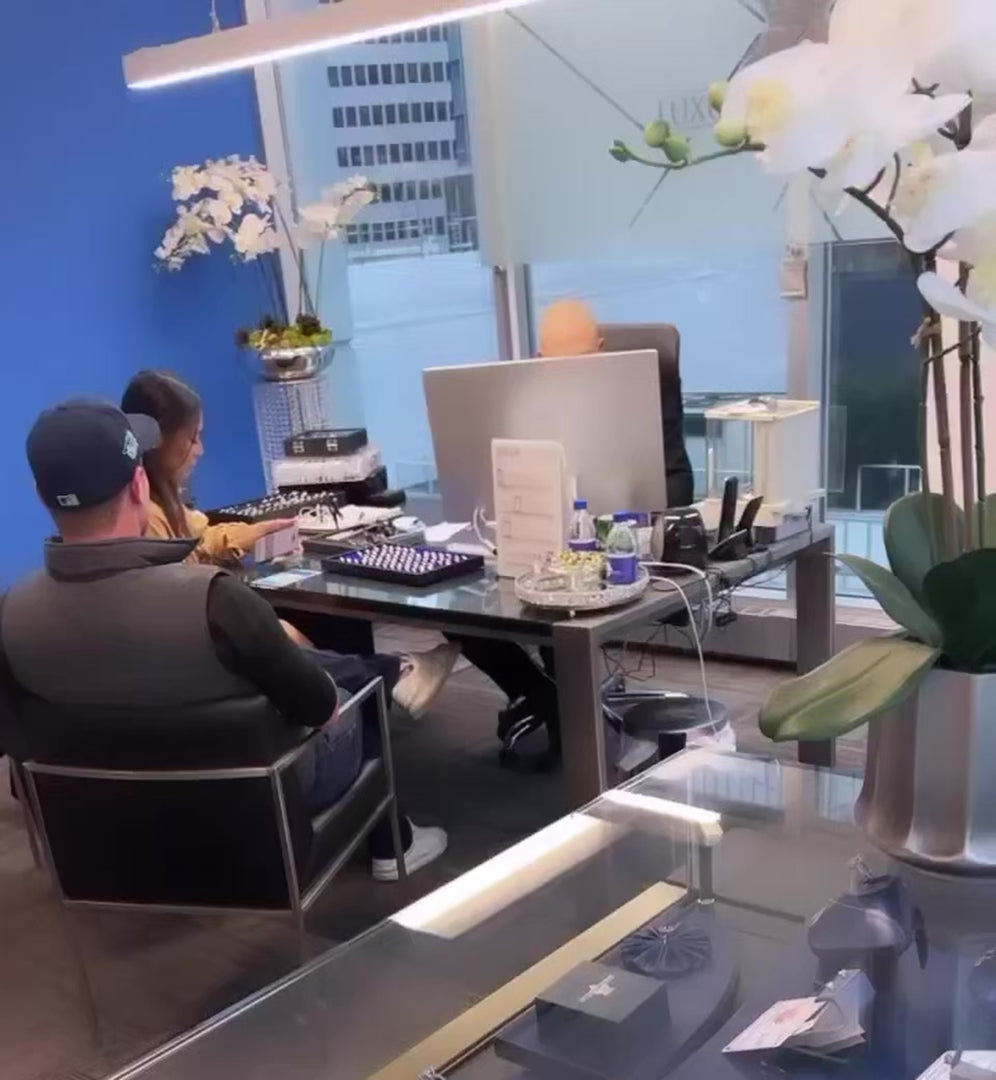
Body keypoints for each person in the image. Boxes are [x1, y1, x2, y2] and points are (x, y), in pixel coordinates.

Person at [0, 399, 447, 880]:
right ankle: (394, 847)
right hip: (256, 807)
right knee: (359, 692)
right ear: (139, 484)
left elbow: (19, 747)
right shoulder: (214, 599)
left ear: (41, 495)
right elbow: (319, 707)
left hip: (111, 832)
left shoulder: (11, 613)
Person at [121, 370, 459, 720]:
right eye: (192, 439)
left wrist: (256, 533)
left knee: (301, 632)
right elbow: (184, 597)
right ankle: (392, 677)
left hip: (202, 645)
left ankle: (386, 679)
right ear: (157, 441)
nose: (200, 450)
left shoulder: (163, 503)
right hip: (202, 654)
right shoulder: (147, 516)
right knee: (286, 638)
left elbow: (202, 534)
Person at [452, 299, 695, 756]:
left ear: (601, 350)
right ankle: (547, 696)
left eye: (581, 361)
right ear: (539, 360)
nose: (570, 374)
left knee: (558, 612)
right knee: (454, 607)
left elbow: (672, 484)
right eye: (557, 365)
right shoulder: (522, 400)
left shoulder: (635, 397)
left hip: (616, 546)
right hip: (536, 545)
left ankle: (564, 711)